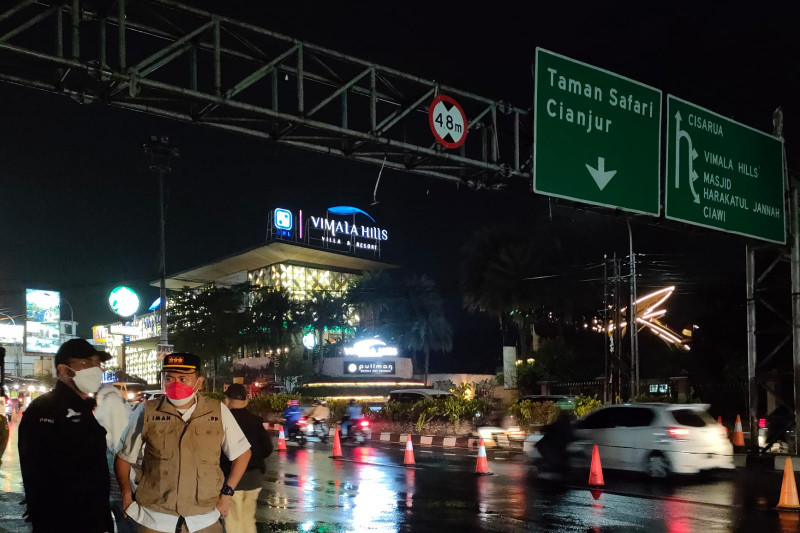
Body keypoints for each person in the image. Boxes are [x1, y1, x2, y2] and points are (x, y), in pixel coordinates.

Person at [115, 353, 252, 533]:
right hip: (155, 518)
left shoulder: (217, 411)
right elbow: (123, 456)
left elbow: (242, 453)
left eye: (183, 378)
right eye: (169, 378)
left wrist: (227, 493)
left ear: (199, 382)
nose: (176, 384)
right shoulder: (147, 411)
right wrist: (126, 492)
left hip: (204, 518)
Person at [18, 339, 113, 533]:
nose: (96, 370)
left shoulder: (83, 407)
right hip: (62, 519)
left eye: (97, 364)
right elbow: (35, 471)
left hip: (91, 515)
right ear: (63, 369)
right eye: (86, 363)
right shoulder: (45, 409)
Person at [221, 384, 272, 533]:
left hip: (232, 479)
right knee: (249, 520)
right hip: (254, 478)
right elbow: (267, 449)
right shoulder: (256, 421)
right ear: (246, 401)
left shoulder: (225, 422)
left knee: (233, 521)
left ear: (227, 401)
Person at [95, 383, 136, 533]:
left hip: (101, 491)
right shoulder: (130, 426)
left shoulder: (94, 427)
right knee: (126, 523)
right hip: (124, 489)